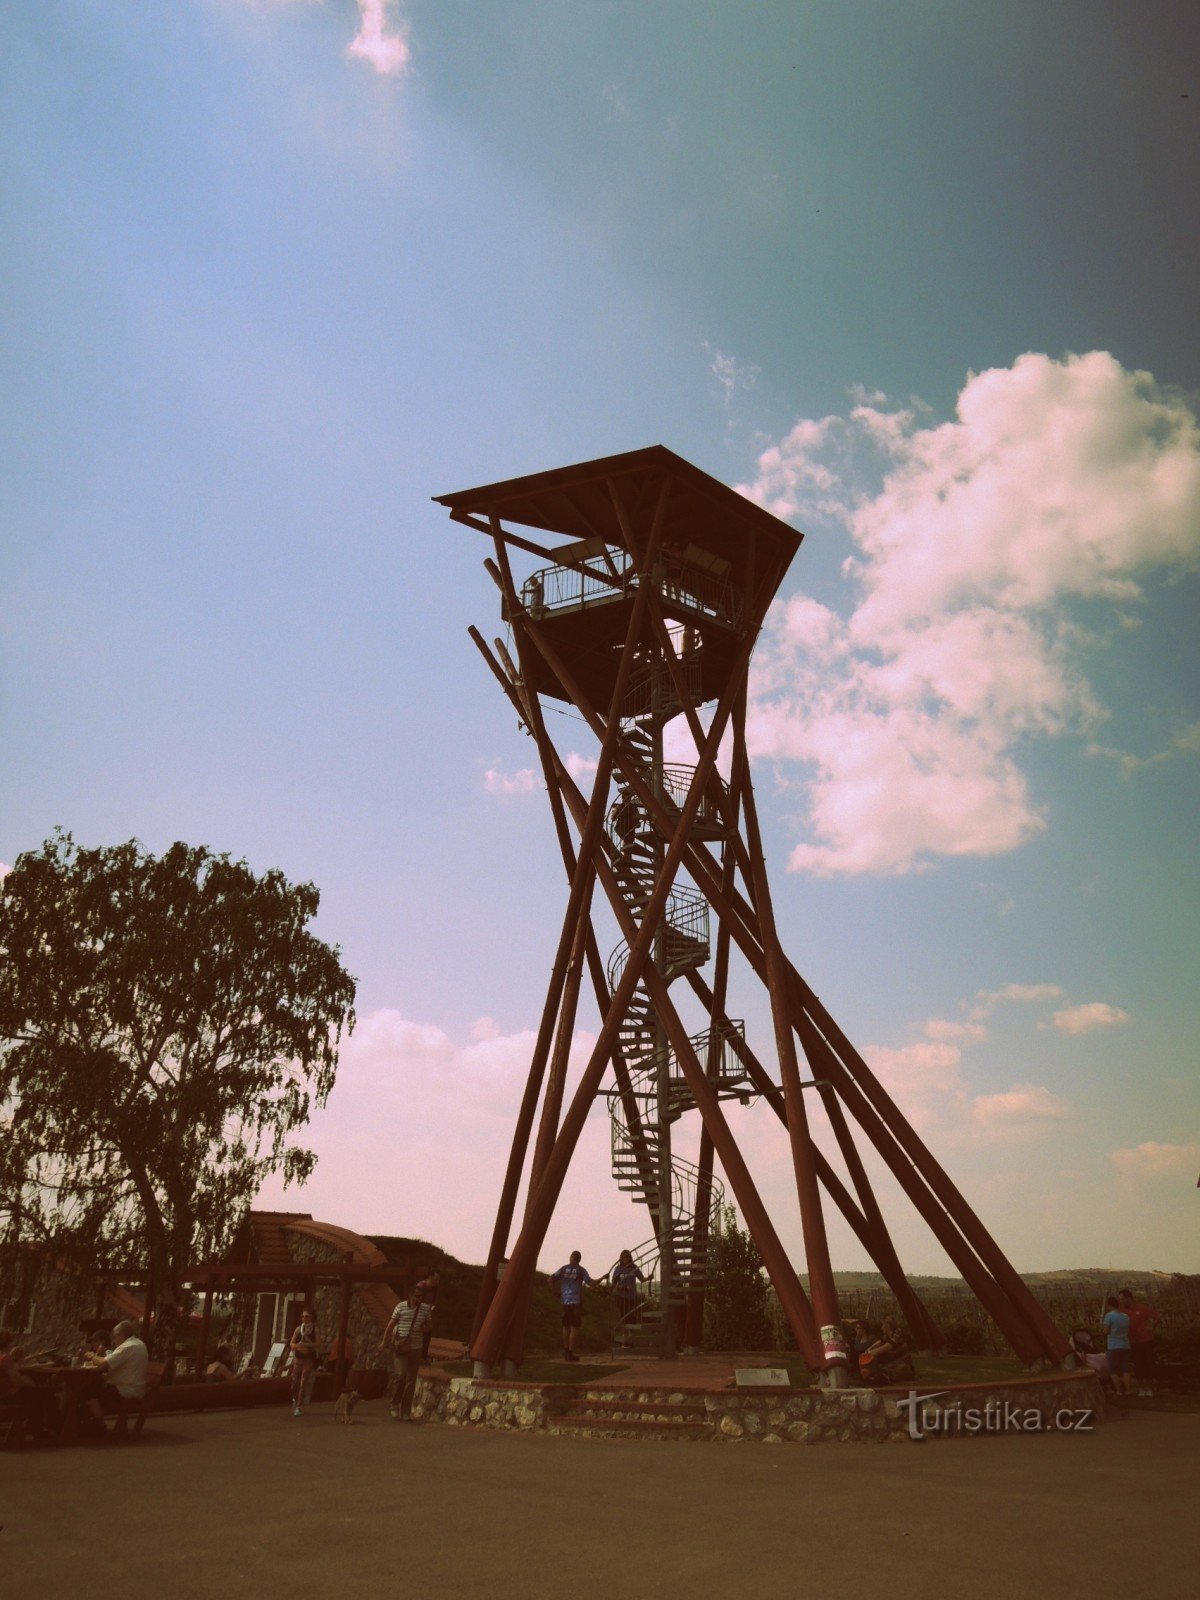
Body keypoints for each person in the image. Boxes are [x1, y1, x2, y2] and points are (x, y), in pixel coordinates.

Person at [82, 1319, 149, 1433]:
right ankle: (92, 1423)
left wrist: (92, 1356)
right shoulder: (137, 1343)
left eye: (114, 1337)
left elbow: (104, 1363)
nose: (113, 1340)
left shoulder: (127, 1346)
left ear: (120, 1335)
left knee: (87, 1391)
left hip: (126, 1389)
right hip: (133, 1387)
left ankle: (99, 1425)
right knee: (94, 1385)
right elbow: (113, 1361)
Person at [378, 1285, 431, 1421]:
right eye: (417, 1296)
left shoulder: (425, 1308)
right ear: (410, 1295)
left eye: (421, 1296)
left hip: (416, 1347)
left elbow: (430, 1326)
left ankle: (406, 1410)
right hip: (401, 1346)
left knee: (411, 1380)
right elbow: (391, 1324)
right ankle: (394, 1404)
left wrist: (423, 1329)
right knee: (400, 1376)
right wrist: (384, 1342)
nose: (419, 1299)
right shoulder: (400, 1307)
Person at [0, 1325, 60, 1443]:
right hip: (11, 1395)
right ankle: (58, 1428)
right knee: (47, 1393)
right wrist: (28, 1381)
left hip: (3, 1395)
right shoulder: (4, 1359)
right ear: (8, 1343)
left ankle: (37, 1429)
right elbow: (17, 1381)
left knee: (37, 1395)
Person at [551, 1251, 602, 1362]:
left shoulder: (564, 1269)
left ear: (571, 1258)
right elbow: (591, 1283)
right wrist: (602, 1278)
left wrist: (556, 1293)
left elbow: (550, 1279)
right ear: (579, 1259)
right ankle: (570, 1352)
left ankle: (565, 1350)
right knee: (574, 1327)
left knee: (565, 1326)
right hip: (576, 1302)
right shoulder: (581, 1270)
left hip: (565, 1301)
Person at [1120, 1287, 1161, 1397]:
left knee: (1148, 1364)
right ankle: (1141, 1387)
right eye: (1120, 1299)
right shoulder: (1122, 1311)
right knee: (1138, 1365)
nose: (1122, 1301)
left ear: (1129, 1298)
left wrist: (1151, 1327)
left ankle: (1149, 1387)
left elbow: (1157, 1316)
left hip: (1146, 1341)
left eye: (1123, 1299)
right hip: (1133, 1342)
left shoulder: (1141, 1308)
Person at [610, 1250, 647, 1347]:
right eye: (624, 1257)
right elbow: (614, 1282)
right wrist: (622, 1287)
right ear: (621, 1258)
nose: (626, 1259)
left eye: (627, 1257)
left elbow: (642, 1279)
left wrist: (649, 1278)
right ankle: (624, 1340)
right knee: (624, 1318)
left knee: (631, 1318)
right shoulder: (618, 1268)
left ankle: (630, 1340)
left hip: (632, 1297)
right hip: (621, 1297)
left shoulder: (634, 1267)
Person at [288, 1311, 320, 1416]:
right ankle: (295, 1398)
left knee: (303, 1381)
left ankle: (298, 1406)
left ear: (311, 1317)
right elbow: (292, 1343)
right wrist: (298, 1346)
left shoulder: (315, 1329)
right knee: (294, 1382)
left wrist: (307, 1345)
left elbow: (318, 1343)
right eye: (302, 1316)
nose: (304, 1318)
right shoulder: (298, 1329)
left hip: (308, 1358)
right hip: (298, 1357)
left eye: (306, 1316)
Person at [1101, 1294, 1134, 1397]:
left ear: (1109, 1305)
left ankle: (1119, 1391)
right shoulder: (1125, 1316)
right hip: (1125, 1344)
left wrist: (1103, 1330)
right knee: (1125, 1369)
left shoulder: (1109, 1316)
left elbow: (1106, 1331)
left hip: (1114, 1345)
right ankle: (1128, 1390)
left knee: (1112, 1369)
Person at [415, 1269, 441, 1362]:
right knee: (418, 1335)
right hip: (419, 1314)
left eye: (438, 1280)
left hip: (428, 1314)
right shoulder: (420, 1286)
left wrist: (432, 1307)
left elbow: (435, 1301)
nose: (437, 1282)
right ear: (430, 1277)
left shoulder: (435, 1288)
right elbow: (417, 1301)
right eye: (436, 1279)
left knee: (427, 1334)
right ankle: (417, 1357)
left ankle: (423, 1357)